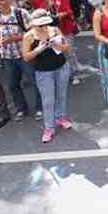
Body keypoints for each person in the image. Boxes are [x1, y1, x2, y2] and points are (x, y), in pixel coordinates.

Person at [22, 9, 71, 143]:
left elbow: (67, 47)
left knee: (61, 94)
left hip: (61, 67)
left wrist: (57, 45)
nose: (43, 27)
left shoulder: (54, 30)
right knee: (48, 100)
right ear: (34, 24)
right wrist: (38, 49)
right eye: (40, 25)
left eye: (44, 24)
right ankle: (49, 127)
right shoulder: (29, 36)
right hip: (43, 72)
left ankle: (61, 117)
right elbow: (26, 57)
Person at [0, 0, 42, 122]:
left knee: (35, 81)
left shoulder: (20, 13)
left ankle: (40, 107)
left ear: (9, 0)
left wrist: (14, 38)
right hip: (7, 56)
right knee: (12, 85)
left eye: (2, 0)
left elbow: (34, 32)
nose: (0, 3)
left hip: (24, 54)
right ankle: (21, 108)